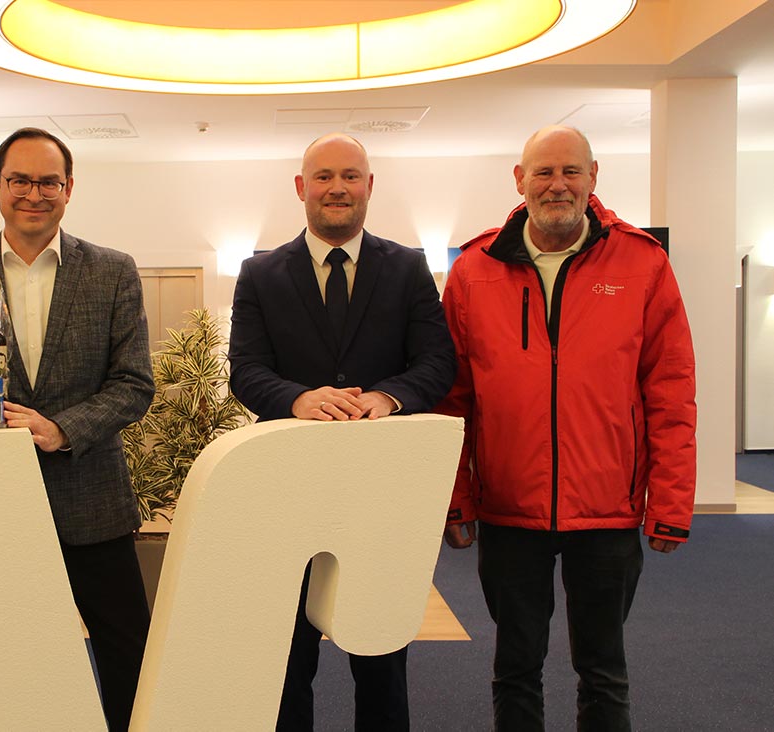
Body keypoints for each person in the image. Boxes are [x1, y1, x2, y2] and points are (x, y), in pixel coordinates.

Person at [439, 125, 696, 731]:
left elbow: (671, 391)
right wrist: (456, 500)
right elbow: (452, 402)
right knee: (515, 667)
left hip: (607, 511)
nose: (558, 184)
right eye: (544, 171)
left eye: (571, 171)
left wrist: (671, 503)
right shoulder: (474, 270)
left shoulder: (642, 264)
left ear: (593, 177)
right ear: (520, 180)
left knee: (603, 670)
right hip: (509, 511)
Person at [0, 128, 155, 731]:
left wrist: (61, 428)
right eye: (20, 179)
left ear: (69, 189)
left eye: (49, 181)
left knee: (128, 656)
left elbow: (134, 384)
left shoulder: (112, 271)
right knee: (11, 661)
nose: (34, 194)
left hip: (93, 503)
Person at [228, 133, 456, 731]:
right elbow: (245, 370)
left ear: (369, 185)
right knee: (287, 659)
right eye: (324, 176)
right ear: (301, 187)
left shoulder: (406, 268)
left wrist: (387, 397)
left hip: (378, 495)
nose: (337, 188)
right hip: (288, 493)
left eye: (350, 176)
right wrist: (297, 398)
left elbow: (438, 362)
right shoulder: (259, 273)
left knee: (380, 659)